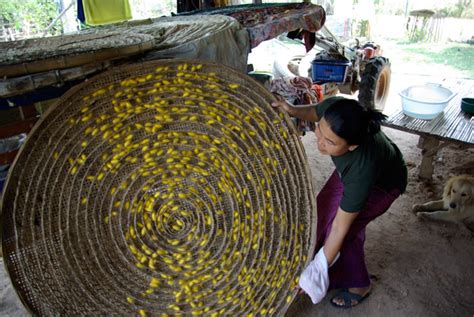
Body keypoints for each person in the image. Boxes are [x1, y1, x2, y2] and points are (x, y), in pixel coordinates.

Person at [271, 96, 407, 308]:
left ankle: (359, 284)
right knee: (321, 213)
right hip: (355, 172)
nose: (320, 143)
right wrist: (291, 109)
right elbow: (317, 111)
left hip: (384, 185)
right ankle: (318, 259)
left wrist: (315, 274)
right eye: (319, 132)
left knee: (346, 232)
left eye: (330, 142)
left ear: (352, 146)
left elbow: (339, 228)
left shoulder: (361, 169)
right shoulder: (337, 111)